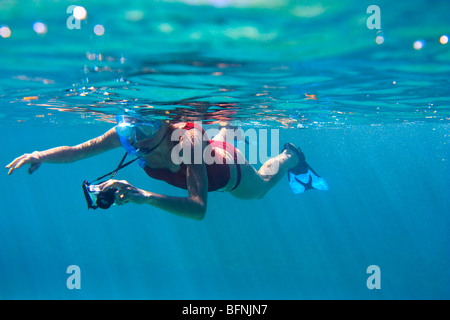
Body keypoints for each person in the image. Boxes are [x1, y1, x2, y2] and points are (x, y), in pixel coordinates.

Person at [5, 116, 327, 220]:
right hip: (211, 150)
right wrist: (41, 154)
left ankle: (291, 157)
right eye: (132, 131)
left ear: (164, 125)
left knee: (256, 192)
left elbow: (199, 208)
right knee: (222, 134)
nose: (138, 139)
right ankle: (227, 124)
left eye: (146, 130)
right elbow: (77, 151)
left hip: (230, 170)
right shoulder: (126, 136)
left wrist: (144, 196)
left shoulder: (187, 140)